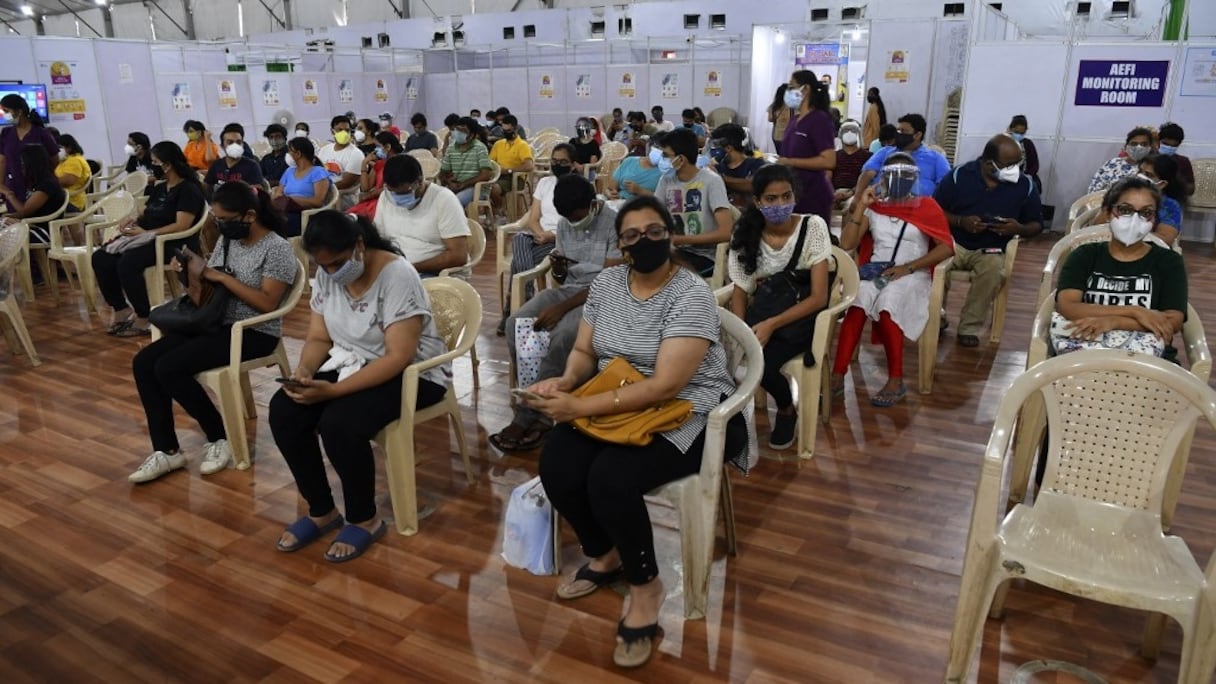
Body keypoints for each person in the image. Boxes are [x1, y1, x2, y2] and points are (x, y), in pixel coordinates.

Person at [532, 195, 744, 669]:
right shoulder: (608, 283)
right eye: (631, 235)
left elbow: (667, 384)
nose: (643, 241)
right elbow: (586, 352)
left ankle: (647, 586)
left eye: (654, 232)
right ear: (620, 243)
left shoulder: (688, 292)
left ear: (670, 235)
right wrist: (565, 381)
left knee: (610, 479)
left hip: (692, 412)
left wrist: (579, 404)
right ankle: (605, 556)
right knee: (558, 465)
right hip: (618, 398)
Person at [269, 210, 450, 563]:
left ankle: (364, 518)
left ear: (359, 246)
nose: (333, 273)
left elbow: (398, 356)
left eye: (338, 263)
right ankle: (322, 510)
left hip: (414, 374)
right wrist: (305, 369)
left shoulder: (396, 274)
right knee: (285, 409)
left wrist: (333, 392)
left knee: (339, 423)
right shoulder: (325, 273)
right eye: (325, 266)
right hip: (352, 362)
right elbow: (319, 336)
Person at [128, 180, 297, 483]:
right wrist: (188, 274)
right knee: (144, 363)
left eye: (224, 220)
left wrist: (221, 277)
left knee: (169, 368)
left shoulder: (277, 248)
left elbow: (268, 304)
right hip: (214, 322)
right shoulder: (228, 241)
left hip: (253, 332)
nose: (219, 225)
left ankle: (220, 437)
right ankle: (166, 450)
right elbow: (209, 287)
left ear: (249, 215)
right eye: (216, 219)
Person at [490, 174, 621, 453]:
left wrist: (561, 308)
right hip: (570, 289)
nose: (573, 222)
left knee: (563, 335)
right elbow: (563, 278)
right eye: (568, 218)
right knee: (517, 323)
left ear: (591, 204)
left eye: (577, 216)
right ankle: (540, 405)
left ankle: (531, 414)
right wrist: (559, 267)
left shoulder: (614, 224)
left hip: (601, 296)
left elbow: (608, 282)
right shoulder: (565, 222)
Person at [831, 153, 955, 406]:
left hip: (913, 271)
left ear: (914, 179)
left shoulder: (927, 206)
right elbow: (847, 244)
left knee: (888, 304)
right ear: (884, 177)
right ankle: (837, 374)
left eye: (907, 176)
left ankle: (896, 380)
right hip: (876, 269)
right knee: (857, 301)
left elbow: (945, 247)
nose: (900, 181)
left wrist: (908, 268)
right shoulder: (875, 207)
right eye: (893, 176)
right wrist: (862, 205)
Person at [727, 165, 832, 447]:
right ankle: (723, 421)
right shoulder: (747, 232)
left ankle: (786, 408)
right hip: (764, 312)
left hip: (802, 317)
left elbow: (819, 297)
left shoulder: (813, 227)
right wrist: (743, 332)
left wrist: (772, 325)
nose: (780, 204)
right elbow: (740, 291)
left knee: (763, 364)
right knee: (733, 356)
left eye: (786, 196)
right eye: (771, 199)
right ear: (758, 201)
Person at [934, 134, 1042, 347]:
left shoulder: (1024, 184)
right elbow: (935, 211)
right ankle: (938, 317)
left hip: (992, 248)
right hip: (955, 242)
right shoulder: (959, 176)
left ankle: (969, 327)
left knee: (992, 271)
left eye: (1016, 164)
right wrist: (960, 221)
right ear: (987, 162)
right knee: (935, 267)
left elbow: (1037, 224)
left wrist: (1018, 228)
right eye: (1007, 165)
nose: (1013, 170)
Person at [91, 141, 206, 338]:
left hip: (173, 243)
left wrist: (147, 234)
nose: (151, 166)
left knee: (128, 262)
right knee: (101, 257)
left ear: (168, 165)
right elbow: (147, 213)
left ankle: (143, 317)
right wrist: (133, 221)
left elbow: (182, 226)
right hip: (149, 239)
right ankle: (120, 309)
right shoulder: (161, 189)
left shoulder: (188, 189)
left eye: (154, 162)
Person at [1056, 176, 1186, 348]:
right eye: (1125, 210)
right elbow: (1068, 307)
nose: (1134, 219)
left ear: (1154, 219)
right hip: (1085, 351)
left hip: (1146, 362)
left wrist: (1113, 321)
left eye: (1146, 213)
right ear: (1108, 213)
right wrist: (1135, 311)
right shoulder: (1084, 255)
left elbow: (1172, 321)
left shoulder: (1169, 261)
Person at [502, 145, 577, 330]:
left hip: (559, 240)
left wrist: (550, 236)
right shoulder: (545, 183)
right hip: (537, 235)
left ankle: (511, 309)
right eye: (554, 161)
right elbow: (534, 217)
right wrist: (540, 234)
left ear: (573, 165)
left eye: (563, 162)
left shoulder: (578, 188)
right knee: (519, 238)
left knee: (517, 264)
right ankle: (525, 301)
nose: (557, 165)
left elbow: (575, 225)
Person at [374, 154, 470, 276]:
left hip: (434, 272)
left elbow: (458, 256)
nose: (397, 199)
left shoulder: (444, 200)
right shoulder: (386, 197)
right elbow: (379, 240)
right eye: (393, 192)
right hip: (396, 268)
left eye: (404, 193)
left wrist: (411, 268)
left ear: (419, 181)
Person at [654, 128, 733, 275]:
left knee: (663, 275)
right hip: (674, 250)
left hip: (704, 256)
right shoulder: (666, 180)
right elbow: (653, 214)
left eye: (666, 155)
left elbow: (725, 232)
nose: (662, 160)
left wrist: (681, 240)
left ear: (681, 159)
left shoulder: (711, 181)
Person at [777, 70, 837, 226]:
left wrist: (791, 162)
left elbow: (828, 160)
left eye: (792, 87)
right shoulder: (795, 120)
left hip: (812, 193)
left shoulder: (819, 119)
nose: (788, 92)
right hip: (792, 192)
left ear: (805, 89)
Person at [856, 114, 951, 199]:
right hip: (882, 203)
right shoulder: (884, 152)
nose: (898, 134)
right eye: (898, 130)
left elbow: (945, 187)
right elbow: (867, 174)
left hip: (919, 209)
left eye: (903, 131)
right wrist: (857, 199)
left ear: (917, 135)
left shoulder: (936, 158)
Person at [0, 93, 59, 213]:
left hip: (37, 187)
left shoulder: (41, 133)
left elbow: (54, 159)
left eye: (6, 111)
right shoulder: (6, 133)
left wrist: (43, 178)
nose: (4, 115)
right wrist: (1, 186)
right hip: (13, 185)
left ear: (19, 112)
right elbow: (2, 161)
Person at [0, 145, 67, 244]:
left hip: (40, 231)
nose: (22, 168)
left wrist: (7, 214)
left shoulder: (47, 185)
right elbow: (24, 211)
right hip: (30, 225)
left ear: (32, 164)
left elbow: (24, 212)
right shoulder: (40, 183)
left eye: (23, 164)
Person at [273, 137, 331, 237]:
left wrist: (293, 199)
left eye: (290, 151)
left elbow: (318, 201)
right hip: (285, 210)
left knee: (282, 223)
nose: (288, 154)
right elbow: (278, 193)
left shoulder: (318, 172)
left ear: (298, 154)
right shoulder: (289, 171)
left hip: (306, 214)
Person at [439, 117, 494, 208]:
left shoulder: (480, 148)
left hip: (476, 188)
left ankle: (459, 222)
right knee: (437, 200)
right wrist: (448, 182)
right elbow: (443, 172)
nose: (458, 133)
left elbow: (486, 174)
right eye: (457, 129)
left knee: (455, 202)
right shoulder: (451, 148)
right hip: (456, 185)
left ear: (471, 135)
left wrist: (464, 184)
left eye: (463, 131)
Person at [348, 131, 404, 220]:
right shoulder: (380, 164)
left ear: (388, 147)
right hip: (374, 201)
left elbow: (393, 188)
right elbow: (365, 188)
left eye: (378, 146)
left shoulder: (401, 163)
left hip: (390, 202)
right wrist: (364, 163)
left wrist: (370, 194)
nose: (375, 150)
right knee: (350, 216)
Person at [1134, 154, 1185, 247]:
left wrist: (1131, 236)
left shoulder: (1169, 206)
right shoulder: (1123, 195)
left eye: (1148, 175)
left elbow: (1164, 239)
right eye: (1140, 171)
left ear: (1162, 184)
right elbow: (1100, 225)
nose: (1140, 176)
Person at [710, 124, 767, 209]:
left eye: (716, 146)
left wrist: (719, 178)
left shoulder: (756, 164)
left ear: (729, 148)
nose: (714, 150)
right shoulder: (719, 167)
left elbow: (753, 185)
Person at [489, 115, 535, 215]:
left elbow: (529, 166)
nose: (506, 133)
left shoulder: (522, 145)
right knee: (482, 187)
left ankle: (500, 209)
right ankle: (499, 209)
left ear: (516, 128)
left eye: (508, 130)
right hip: (499, 176)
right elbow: (490, 162)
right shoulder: (498, 144)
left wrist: (508, 170)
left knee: (493, 188)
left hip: (515, 178)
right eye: (504, 130)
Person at [318, 116, 365, 210]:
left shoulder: (356, 154)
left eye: (347, 130)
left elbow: (346, 183)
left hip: (343, 198)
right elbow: (317, 172)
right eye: (339, 130)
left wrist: (321, 189)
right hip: (323, 193)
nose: (344, 133)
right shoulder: (324, 150)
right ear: (332, 131)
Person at [1088, 127, 1153, 194]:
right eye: (1134, 144)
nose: (1139, 147)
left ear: (1150, 147)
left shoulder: (1151, 169)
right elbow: (1094, 188)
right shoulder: (1113, 164)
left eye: (1144, 144)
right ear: (1126, 146)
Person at [203, 124, 264, 195]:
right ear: (222, 146)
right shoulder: (216, 165)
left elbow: (258, 190)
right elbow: (207, 187)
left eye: (238, 142)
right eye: (230, 142)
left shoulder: (251, 166)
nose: (235, 145)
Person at [606, 134, 664, 202]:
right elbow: (610, 188)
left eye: (663, 151)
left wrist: (640, 191)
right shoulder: (629, 161)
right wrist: (610, 194)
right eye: (657, 147)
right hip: (618, 203)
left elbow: (663, 200)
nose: (659, 153)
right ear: (648, 146)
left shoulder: (665, 172)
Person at [833, 119, 872, 206]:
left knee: (852, 205)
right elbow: (827, 176)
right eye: (846, 130)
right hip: (834, 192)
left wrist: (850, 193)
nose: (849, 133)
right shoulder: (834, 156)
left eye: (853, 130)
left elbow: (866, 178)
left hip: (856, 193)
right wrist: (832, 193)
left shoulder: (868, 156)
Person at [54, 134, 92, 213]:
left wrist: (49, 184)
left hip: (71, 201)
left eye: (60, 148)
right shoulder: (66, 160)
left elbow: (69, 180)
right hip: (65, 199)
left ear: (69, 147)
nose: (57, 151)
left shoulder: (74, 161)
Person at [1156, 122, 1194, 197]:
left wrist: (1175, 185)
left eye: (1173, 146)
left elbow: (1191, 189)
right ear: (1158, 141)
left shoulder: (1183, 161)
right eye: (1166, 144)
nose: (1169, 148)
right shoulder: (1148, 159)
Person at [1007, 115, 1040, 193]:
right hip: (1007, 177)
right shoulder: (1004, 143)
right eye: (1016, 132)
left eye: (1022, 133)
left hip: (1025, 176)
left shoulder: (1028, 144)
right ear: (1011, 129)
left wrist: (1029, 175)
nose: (1019, 135)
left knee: (1035, 187)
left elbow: (1035, 164)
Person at [261, 124, 291, 188]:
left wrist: (276, 182)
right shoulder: (266, 159)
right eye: (271, 137)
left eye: (278, 136)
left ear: (285, 139)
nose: (274, 140)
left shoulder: (292, 156)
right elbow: (259, 176)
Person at [768, 84, 791, 154]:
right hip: (788, 136)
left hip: (777, 135)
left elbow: (770, 119)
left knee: (780, 155)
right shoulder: (792, 106)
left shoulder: (774, 106)